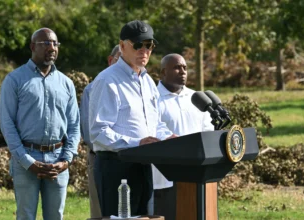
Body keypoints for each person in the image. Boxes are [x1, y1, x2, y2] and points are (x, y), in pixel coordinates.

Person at [88, 20, 176, 217]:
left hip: (144, 166)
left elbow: (155, 124)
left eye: (149, 45)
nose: (144, 50)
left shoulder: (148, 82)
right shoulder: (107, 80)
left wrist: (168, 138)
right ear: (122, 46)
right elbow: (98, 132)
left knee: (144, 217)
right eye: (137, 45)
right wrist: (137, 143)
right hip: (116, 167)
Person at [0, 28, 80, 220]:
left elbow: (75, 125)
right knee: (26, 216)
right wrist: (27, 161)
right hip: (26, 157)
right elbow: (7, 123)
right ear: (32, 46)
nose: (52, 47)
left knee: (55, 216)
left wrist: (66, 159)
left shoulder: (66, 83)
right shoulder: (14, 80)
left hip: (57, 159)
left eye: (55, 43)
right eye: (46, 43)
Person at [152, 53, 214, 219]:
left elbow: (207, 130)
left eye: (185, 68)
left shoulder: (197, 98)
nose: (182, 71)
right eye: (177, 67)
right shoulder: (152, 99)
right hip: (165, 180)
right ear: (163, 72)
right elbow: (153, 130)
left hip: (196, 175)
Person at [80, 45, 121, 218]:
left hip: (132, 160)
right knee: (101, 213)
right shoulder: (94, 88)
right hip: (101, 159)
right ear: (110, 60)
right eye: (120, 58)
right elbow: (90, 133)